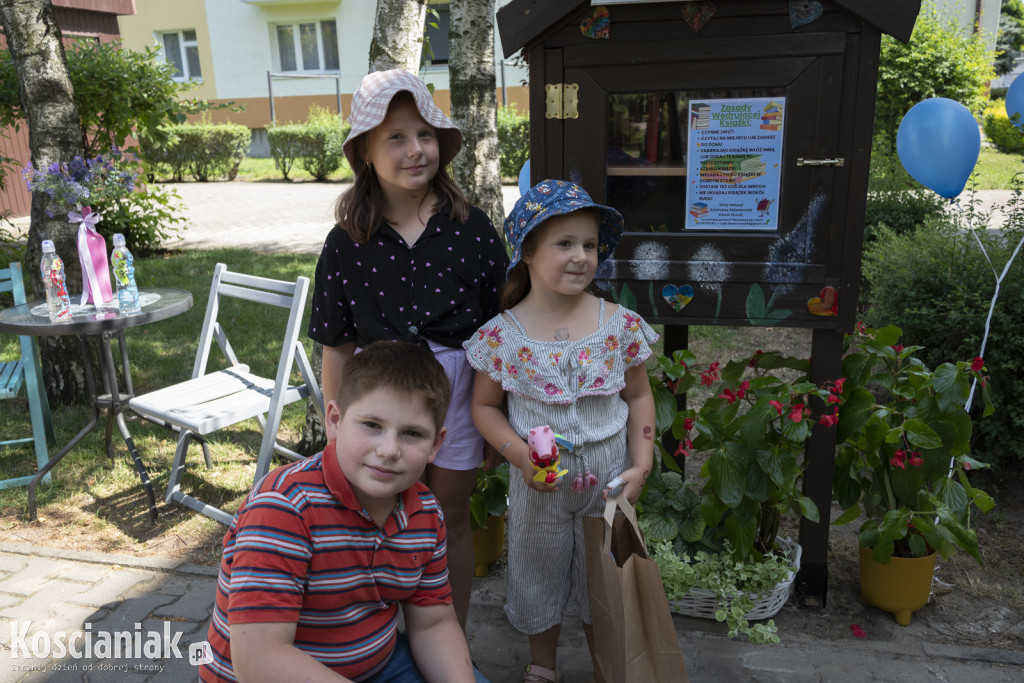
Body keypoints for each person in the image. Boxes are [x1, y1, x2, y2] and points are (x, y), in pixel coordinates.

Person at [307, 69, 509, 630]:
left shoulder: (471, 230)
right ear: (366, 151)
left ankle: (450, 639)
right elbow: (336, 342)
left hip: (461, 392)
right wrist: (338, 422)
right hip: (380, 396)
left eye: (424, 134)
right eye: (395, 137)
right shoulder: (347, 241)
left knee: (447, 518)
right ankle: (381, 636)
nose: (415, 149)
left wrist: (499, 414)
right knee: (381, 519)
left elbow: (500, 333)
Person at [465, 180, 657, 683]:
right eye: (564, 244)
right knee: (536, 572)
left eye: (590, 245)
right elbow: (484, 408)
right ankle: (543, 667)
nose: (581, 257)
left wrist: (642, 464)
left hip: (609, 483)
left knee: (607, 578)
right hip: (538, 489)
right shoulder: (503, 335)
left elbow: (638, 397)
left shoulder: (617, 325)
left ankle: (606, 666)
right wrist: (519, 456)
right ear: (527, 251)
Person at [199, 341, 477, 683]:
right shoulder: (284, 508)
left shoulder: (426, 513)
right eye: (372, 425)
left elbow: (433, 621)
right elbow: (260, 661)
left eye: (411, 433)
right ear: (334, 420)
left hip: (381, 664)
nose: (388, 450)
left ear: (436, 444)